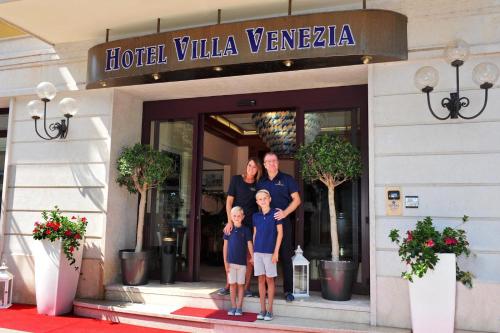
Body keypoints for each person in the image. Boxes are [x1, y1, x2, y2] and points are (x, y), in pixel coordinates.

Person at [257, 152, 301, 303]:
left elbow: (297, 200)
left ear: (278, 163)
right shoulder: (260, 182)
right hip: (265, 225)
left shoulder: (287, 179)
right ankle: (268, 289)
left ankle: (288, 290)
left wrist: (285, 213)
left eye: (274, 160)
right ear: (264, 165)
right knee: (267, 256)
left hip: (283, 222)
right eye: (268, 161)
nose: (271, 163)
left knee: (285, 256)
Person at [218, 158, 262, 296]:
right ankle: (228, 285)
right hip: (236, 221)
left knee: (249, 256)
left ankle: (247, 287)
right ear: (246, 165)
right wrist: (230, 221)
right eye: (250, 165)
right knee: (230, 254)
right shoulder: (236, 179)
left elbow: (261, 205)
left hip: (250, 224)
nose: (251, 168)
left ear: (258, 170)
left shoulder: (258, 184)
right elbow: (229, 202)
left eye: (254, 167)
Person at [253, 189, 283, 321]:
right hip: (258, 252)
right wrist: (253, 252)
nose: (263, 201)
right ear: (257, 202)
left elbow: (280, 233)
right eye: (260, 199)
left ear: (269, 199)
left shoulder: (276, 214)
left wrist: (276, 252)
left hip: (270, 252)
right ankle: (262, 309)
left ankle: (270, 310)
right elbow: (255, 234)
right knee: (260, 279)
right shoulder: (255, 216)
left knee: (270, 280)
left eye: (265, 198)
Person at [223, 206, 254, 316]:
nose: (236, 218)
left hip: (242, 264)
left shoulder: (246, 230)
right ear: (231, 217)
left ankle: (239, 307)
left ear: (243, 217)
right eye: (234, 216)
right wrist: (225, 262)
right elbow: (225, 247)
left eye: (239, 216)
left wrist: (253, 257)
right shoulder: (228, 230)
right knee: (232, 285)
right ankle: (233, 306)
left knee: (241, 285)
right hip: (231, 263)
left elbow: (250, 244)